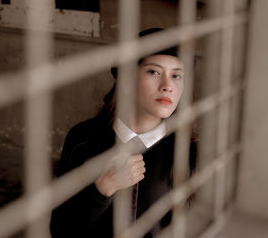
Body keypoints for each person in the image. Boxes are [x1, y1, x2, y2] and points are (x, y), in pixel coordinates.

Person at [50, 28, 197, 238]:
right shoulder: (82, 138)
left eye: (177, 76)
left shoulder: (188, 149)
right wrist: (101, 191)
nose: (167, 86)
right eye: (154, 72)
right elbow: (60, 230)